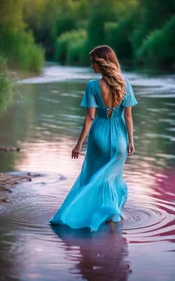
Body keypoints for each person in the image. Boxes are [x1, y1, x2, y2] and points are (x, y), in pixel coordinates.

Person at [49, 45, 138, 232]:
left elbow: (90, 117)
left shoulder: (92, 86)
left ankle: (81, 214)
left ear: (102, 63)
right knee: (111, 179)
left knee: (91, 178)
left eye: (93, 62)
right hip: (120, 138)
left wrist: (79, 144)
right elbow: (128, 116)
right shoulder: (125, 84)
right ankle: (112, 218)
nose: (91, 66)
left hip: (99, 135)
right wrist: (131, 141)